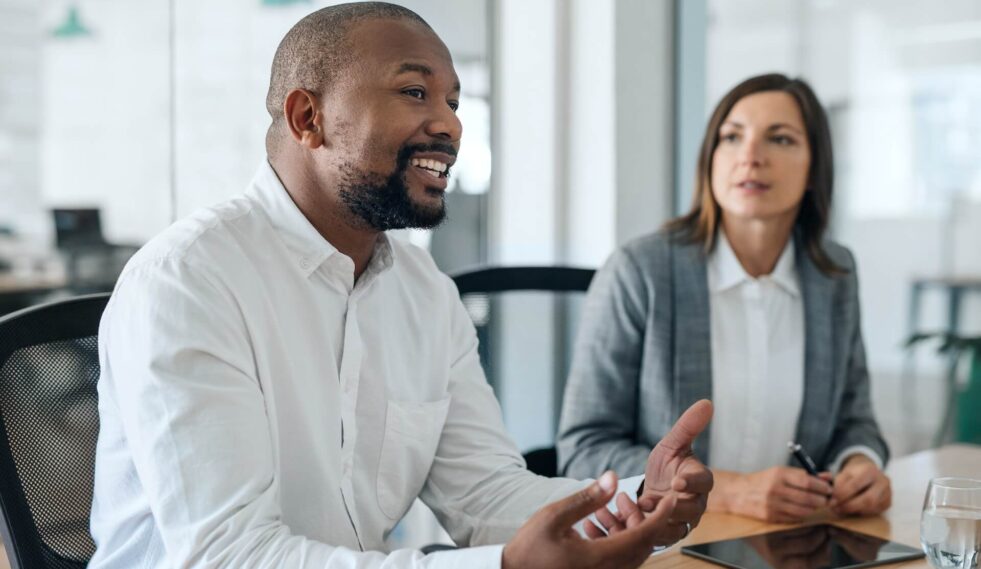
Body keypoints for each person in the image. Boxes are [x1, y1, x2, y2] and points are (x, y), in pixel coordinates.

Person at [88, 3, 714, 568]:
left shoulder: (423, 290)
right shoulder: (190, 281)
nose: (450, 126)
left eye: (454, 103)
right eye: (415, 91)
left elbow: (486, 494)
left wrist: (639, 498)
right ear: (309, 117)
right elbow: (230, 557)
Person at [557, 73, 891, 524]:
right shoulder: (641, 270)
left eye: (780, 139)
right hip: (664, 543)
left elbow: (856, 420)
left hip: (789, 541)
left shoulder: (834, 274)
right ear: (710, 159)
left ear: (815, 168)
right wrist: (729, 490)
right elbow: (584, 447)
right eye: (732, 137)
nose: (751, 156)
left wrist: (860, 463)